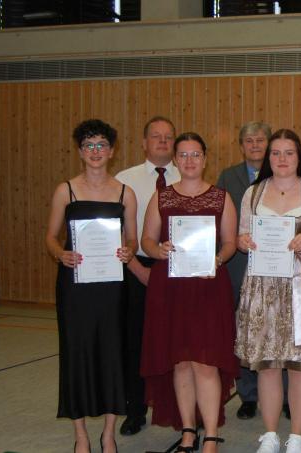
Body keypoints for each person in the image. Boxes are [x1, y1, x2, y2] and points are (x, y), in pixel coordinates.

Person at [235, 128, 301, 453]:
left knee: (298, 365)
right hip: (262, 285)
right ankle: (269, 434)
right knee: (267, 364)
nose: (282, 159)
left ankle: (296, 435)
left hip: (299, 287)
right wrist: (243, 242)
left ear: (299, 157)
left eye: (288, 153)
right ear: (268, 158)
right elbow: (241, 237)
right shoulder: (252, 193)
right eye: (276, 153)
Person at [140, 132, 239, 453]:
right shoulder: (162, 197)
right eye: (182, 155)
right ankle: (187, 431)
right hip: (171, 289)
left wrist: (219, 258)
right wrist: (159, 251)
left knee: (206, 363)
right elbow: (146, 241)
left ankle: (210, 433)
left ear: (205, 158)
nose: (189, 161)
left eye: (195, 154)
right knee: (180, 362)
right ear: (175, 160)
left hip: (209, 288)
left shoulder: (221, 197)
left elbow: (230, 243)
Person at [45, 119, 138, 453]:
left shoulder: (126, 193)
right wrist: (61, 254)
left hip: (112, 286)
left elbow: (132, 239)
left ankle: (109, 433)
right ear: (80, 152)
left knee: (112, 353)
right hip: (75, 286)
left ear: (111, 151)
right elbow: (50, 238)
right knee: (77, 353)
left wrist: (128, 250)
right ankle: (81, 434)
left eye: (101, 145)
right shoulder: (65, 190)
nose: (96, 152)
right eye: (89, 146)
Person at [216, 121, 290, 421]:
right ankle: (248, 394)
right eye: (249, 140)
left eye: (260, 140)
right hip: (239, 266)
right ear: (241, 145)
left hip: (277, 267)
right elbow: (220, 218)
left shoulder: (283, 176)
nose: (255, 145)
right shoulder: (228, 176)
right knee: (243, 331)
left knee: (279, 331)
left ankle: (284, 397)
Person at [115, 116, 180, 436]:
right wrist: (137, 268)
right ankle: (135, 409)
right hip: (137, 268)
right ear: (144, 142)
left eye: (169, 137)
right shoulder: (123, 180)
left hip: (181, 270)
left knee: (180, 342)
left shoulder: (188, 174)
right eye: (156, 136)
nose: (163, 142)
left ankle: (181, 408)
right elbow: (117, 234)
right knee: (135, 342)